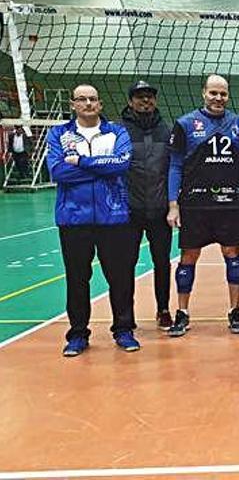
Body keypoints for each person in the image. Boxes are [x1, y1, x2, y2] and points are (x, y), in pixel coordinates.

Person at [46, 84, 138, 356]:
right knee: (77, 278)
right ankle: (77, 334)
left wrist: (82, 161)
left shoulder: (117, 132)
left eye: (93, 99)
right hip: (74, 219)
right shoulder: (58, 134)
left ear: (100, 104)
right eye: (82, 99)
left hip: (114, 216)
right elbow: (58, 171)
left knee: (120, 278)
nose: (88, 103)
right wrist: (101, 166)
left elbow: (121, 164)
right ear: (73, 104)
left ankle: (123, 330)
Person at [166, 74, 239, 337]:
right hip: (194, 204)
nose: (218, 98)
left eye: (223, 93)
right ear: (204, 93)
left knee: (233, 255)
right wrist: (173, 204)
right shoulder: (185, 124)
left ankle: (235, 311)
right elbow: (175, 165)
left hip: (229, 203)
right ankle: (182, 312)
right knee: (188, 257)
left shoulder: (238, 123)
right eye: (213, 93)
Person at [120, 80, 174, 330]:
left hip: (159, 208)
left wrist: (173, 203)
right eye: (140, 97)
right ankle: (125, 315)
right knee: (125, 263)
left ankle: (163, 309)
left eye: (150, 96)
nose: (145, 101)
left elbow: (174, 168)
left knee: (162, 262)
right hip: (129, 210)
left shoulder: (167, 130)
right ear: (131, 101)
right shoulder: (118, 131)